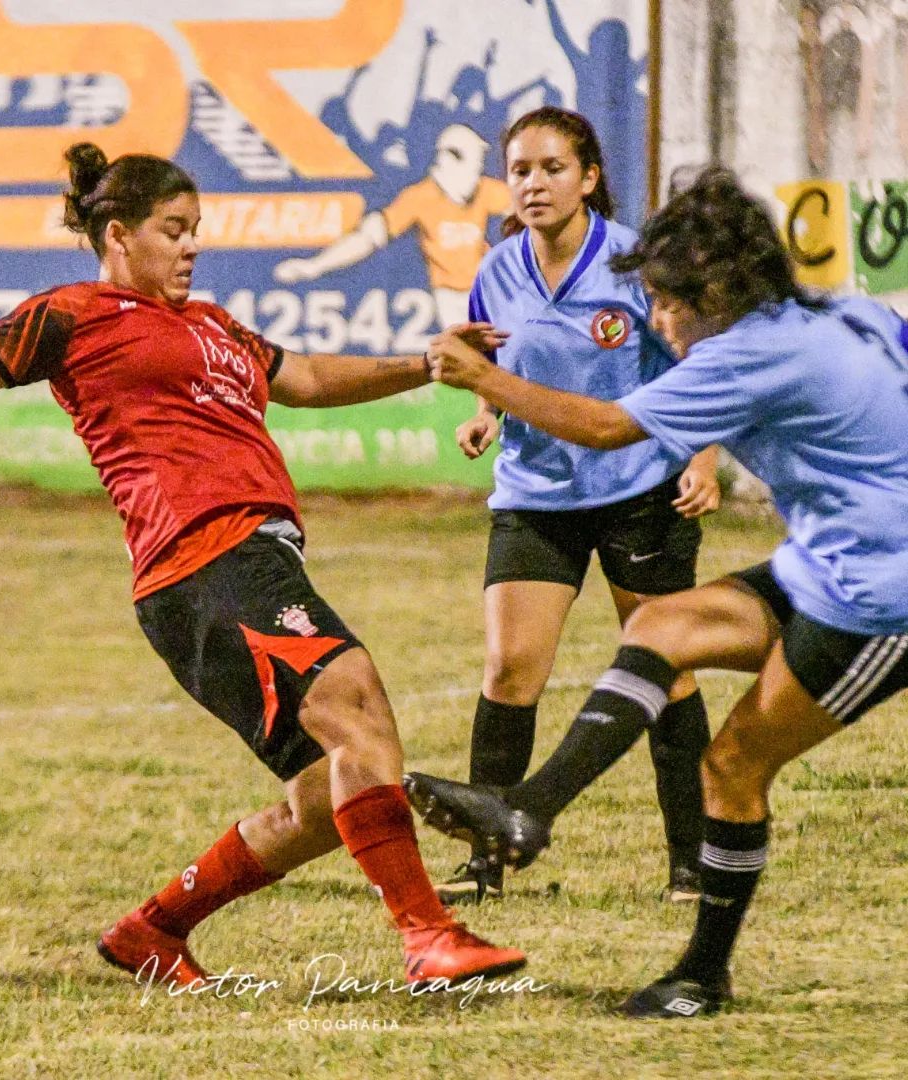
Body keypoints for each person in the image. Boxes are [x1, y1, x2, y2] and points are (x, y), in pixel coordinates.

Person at [0, 142, 526, 990]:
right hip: (205, 560)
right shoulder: (69, 314)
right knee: (357, 709)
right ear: (118, 233)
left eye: (196, 230)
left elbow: (311, 377)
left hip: (250, 561)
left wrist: (432, 362)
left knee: (328, 796)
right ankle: (429, 937)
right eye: (173, 230)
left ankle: (155, 929)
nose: (191, 246)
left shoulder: (213, 324)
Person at [408, 167, 908, 1016]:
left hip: (879, 599)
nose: (659, 321)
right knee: (666, 623)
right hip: (828, 562)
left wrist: (483, 380)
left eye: (668, 303)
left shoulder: (747, 353)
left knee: (735, 764)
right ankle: (527, 811)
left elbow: (607, 427)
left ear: (715, 290)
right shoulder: (843, 311)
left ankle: (702, 976)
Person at [424, 105, 719, 907]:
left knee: (668, 672)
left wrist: (705, 454)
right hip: (537, 492)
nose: (533, 184)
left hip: (639, 490)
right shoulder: (498, 268)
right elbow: (495, 364)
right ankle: (485, 857)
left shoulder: (635, 263)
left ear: (588, 177)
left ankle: (692, 862)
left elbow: (702, 361)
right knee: (510, 669)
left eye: (552, 168)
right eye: (519, 170)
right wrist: (486, 415)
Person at [274, 123, 511, 328]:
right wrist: (314, 266)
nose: (478, 171)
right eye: (474, 163)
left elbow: (526, 210)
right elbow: (368, 237)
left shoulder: (486, 191)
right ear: (448, 159)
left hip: (487, 289)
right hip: (449, 297)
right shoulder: (418, 198)